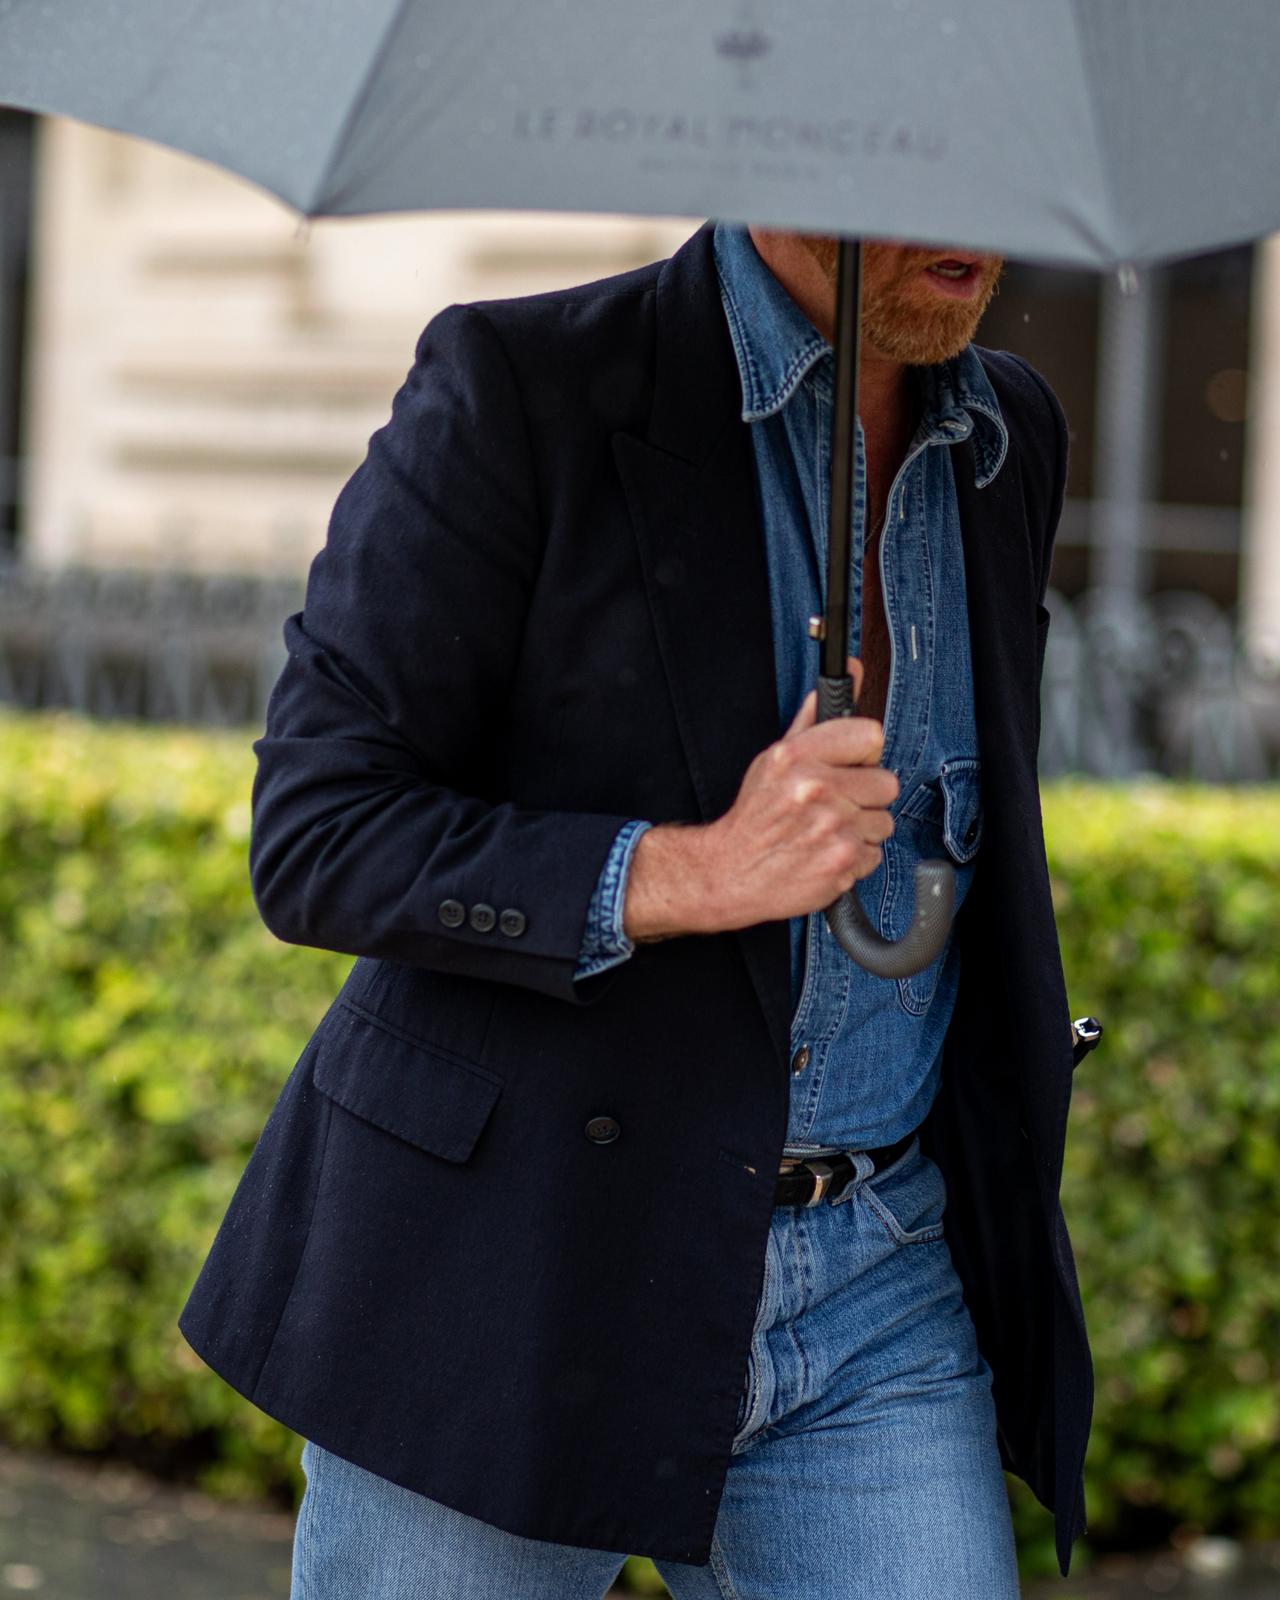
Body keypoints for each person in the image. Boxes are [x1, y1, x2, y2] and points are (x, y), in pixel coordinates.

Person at [180, 217, 1093, 1598]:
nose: (972, 217)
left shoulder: (1009, 433)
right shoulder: (522, 384)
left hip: (879, 1278)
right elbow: (321, 830)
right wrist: (686, 871)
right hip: (518, 1270)